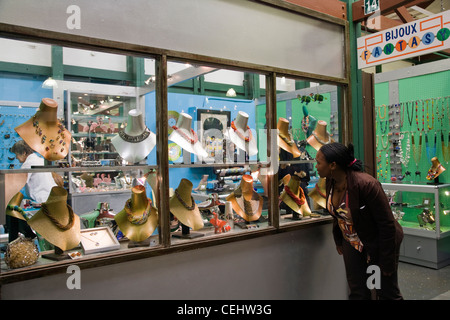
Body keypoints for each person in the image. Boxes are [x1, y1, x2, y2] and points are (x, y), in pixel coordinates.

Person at [315, 142, 403, 300]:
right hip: (352, 242)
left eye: (319, 162)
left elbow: (387, 224)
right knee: (358, 291)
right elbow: (339, 213)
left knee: (384, 291)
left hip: (378, 242)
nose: (316, 166)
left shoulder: (367, 184)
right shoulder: (330, 181)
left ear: (333, 165)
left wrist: (387, 260)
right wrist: (339, 240)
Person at [10, 139, 59, 204]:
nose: (16, 157)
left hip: (43, 198)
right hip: (52, 196)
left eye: (17, 154)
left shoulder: (29, 163)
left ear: (24, 153)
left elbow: (18, 183)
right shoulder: (39, 159)